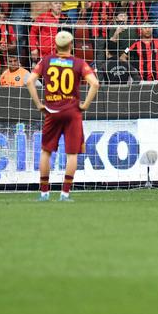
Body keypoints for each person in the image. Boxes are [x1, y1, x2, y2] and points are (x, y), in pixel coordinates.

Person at [26, 31, 100, 202]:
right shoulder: (78, 62)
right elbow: (95, 83)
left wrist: (38, 104)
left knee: (46, 151)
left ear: (55, 45)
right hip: (72, 112)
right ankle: (65, 193)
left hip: (51, 111)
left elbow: (30, 81)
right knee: (71, 153)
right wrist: (85, 104)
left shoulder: (46, 61)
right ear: (71, 45)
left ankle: (44, 193)